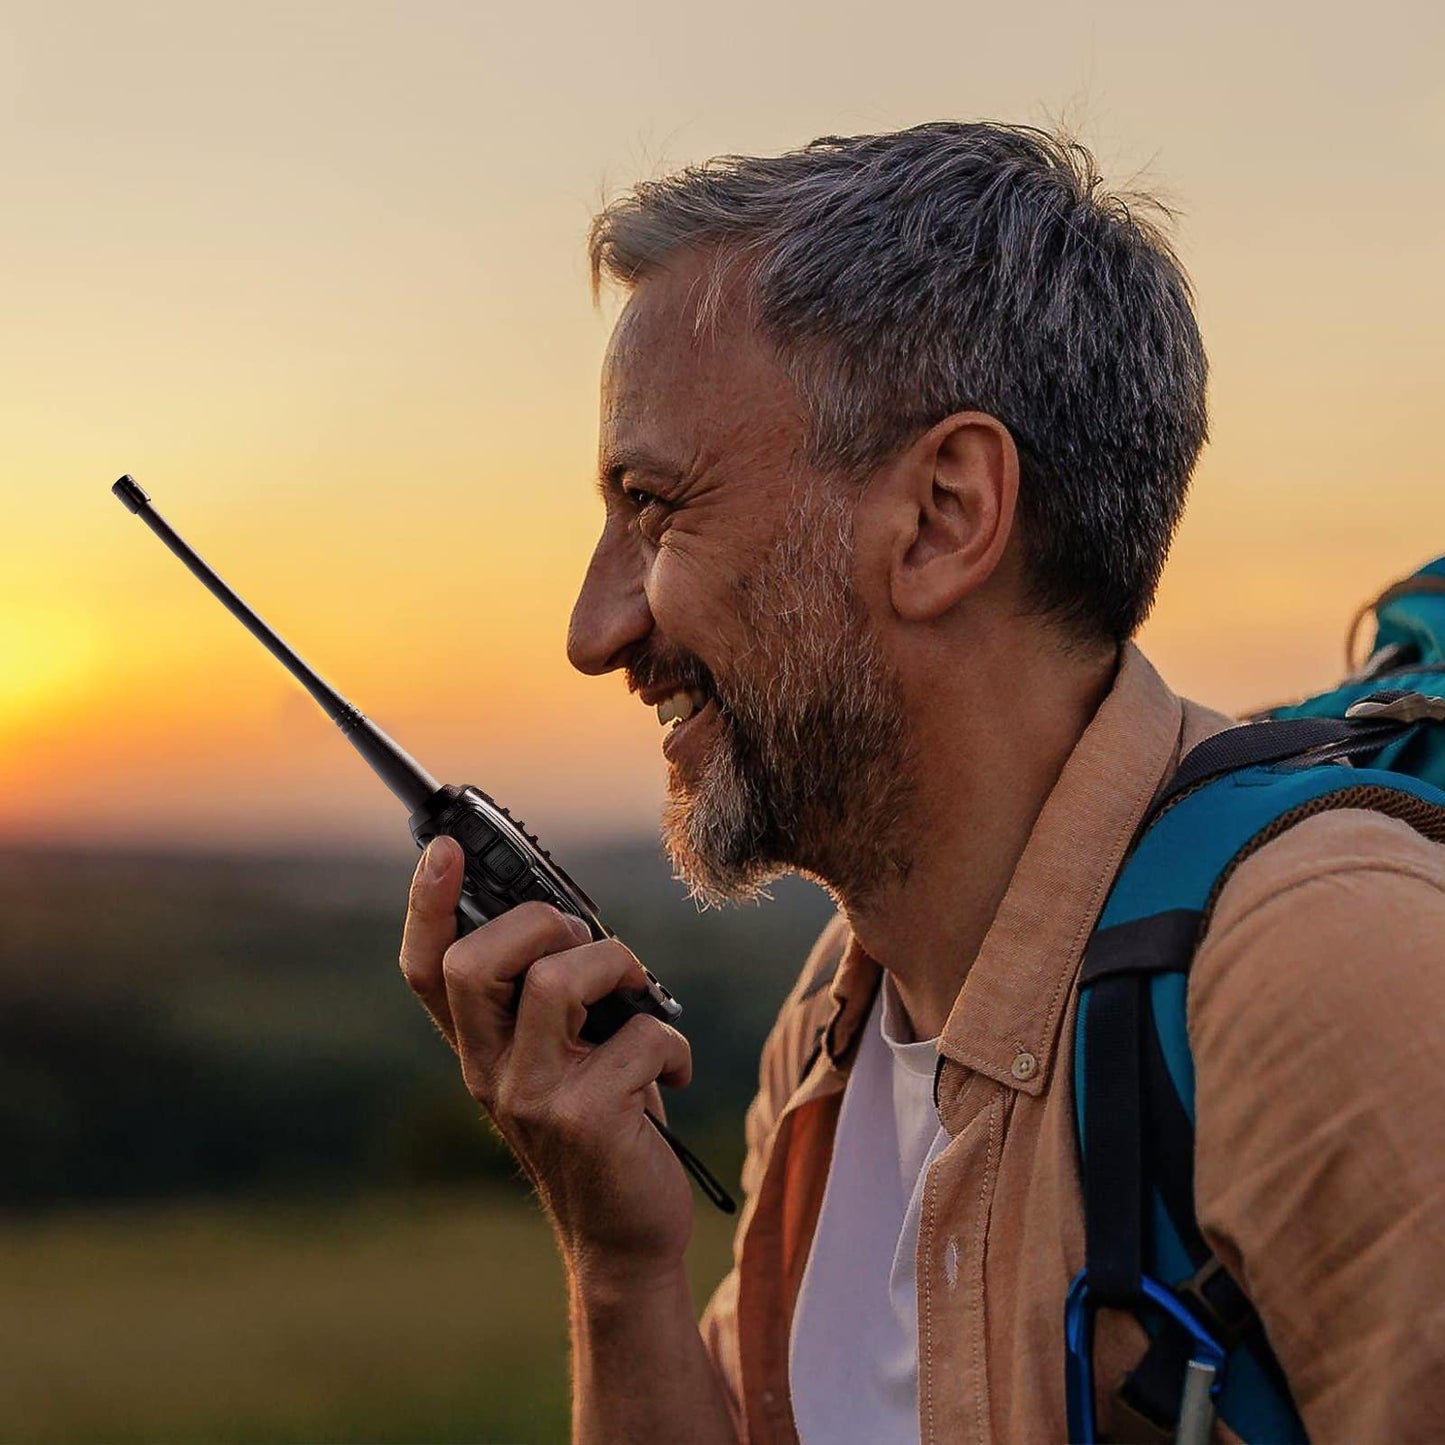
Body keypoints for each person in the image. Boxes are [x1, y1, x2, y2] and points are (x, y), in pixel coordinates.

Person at [396, 123, 1445, 1442]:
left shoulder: (1328, 972)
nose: (594, 628)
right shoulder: (837, 1029)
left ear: (942, 515)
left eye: (656, 508)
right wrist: (620, 1266)